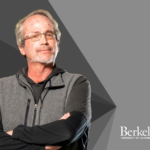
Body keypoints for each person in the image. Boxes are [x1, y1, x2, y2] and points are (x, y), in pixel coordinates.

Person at [0, 9, 92, 150]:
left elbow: (67, 131)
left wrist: (16, 133)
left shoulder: (77, 83)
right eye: (35, 36)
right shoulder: (2, 87)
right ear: (21, 48)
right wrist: (45, 148)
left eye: (49, 34)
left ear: (57, 44)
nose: (44, 41)